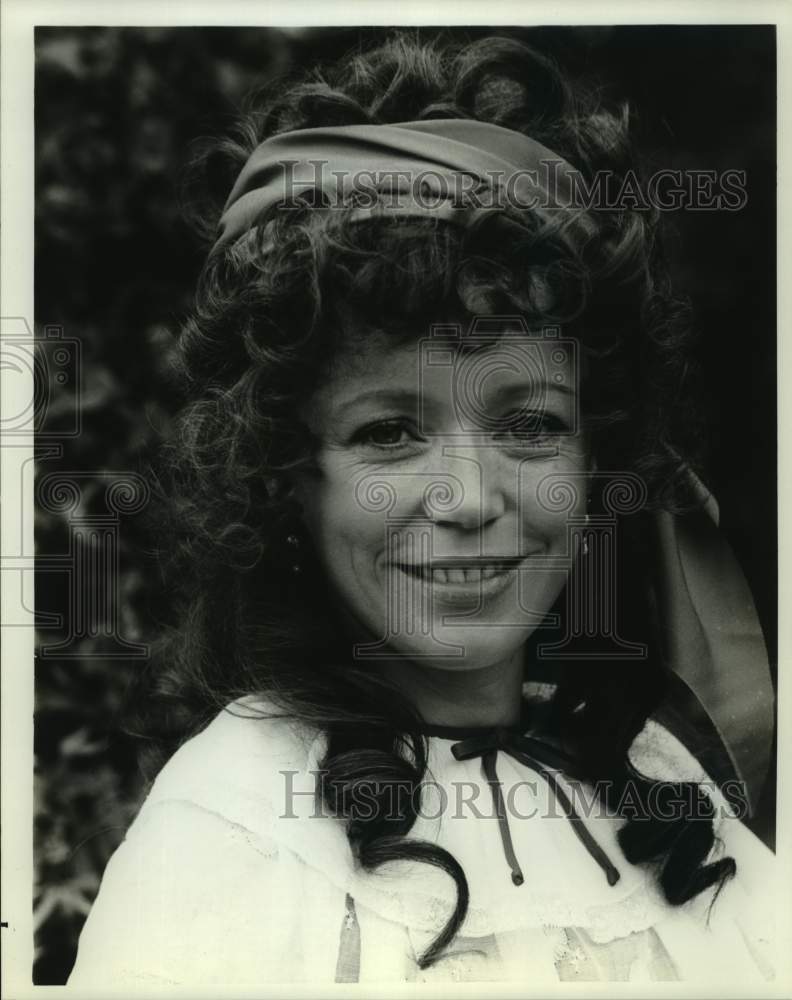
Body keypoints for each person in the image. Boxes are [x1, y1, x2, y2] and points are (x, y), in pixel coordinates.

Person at [68, 33, 776, 985]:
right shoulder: (228, 836)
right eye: (390, 434)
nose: (472, 499)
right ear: (287, 478)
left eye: (528, 425)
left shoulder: (664, 787)